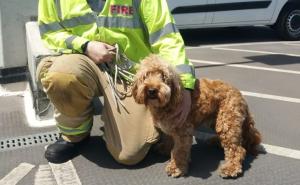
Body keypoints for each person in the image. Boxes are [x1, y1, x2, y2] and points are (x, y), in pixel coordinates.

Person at [37, 0, 196, 164]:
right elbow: (50, 32)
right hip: (82, 61)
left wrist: (184, 86)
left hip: (128, 75)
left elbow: (167, 39)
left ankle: (117, 120)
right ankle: (75, 135)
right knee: (62, 75)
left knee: (131, 155)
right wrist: (85, 45)